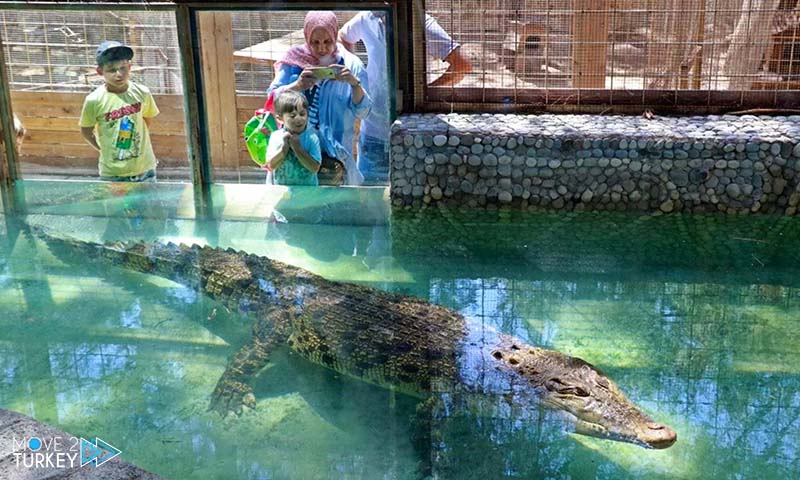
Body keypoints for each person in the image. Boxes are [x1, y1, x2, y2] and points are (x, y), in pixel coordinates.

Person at [339, 12, 472, 182]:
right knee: (369, 198)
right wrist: (358, 74)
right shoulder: (366, 17)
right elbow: (343, 37)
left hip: (409, 136)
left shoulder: (421, 24)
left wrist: (425, 90)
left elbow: (462, 65)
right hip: (372, 133)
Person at [268, 11, 370, 186]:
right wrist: (297, 86)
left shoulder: (351, 65)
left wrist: (354, 84)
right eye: (315, 42)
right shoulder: (293, 62)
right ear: (307, 37)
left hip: (334, 160)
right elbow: (272, 102)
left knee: (332, 208)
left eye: (327, 41)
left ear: (335, 35)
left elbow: (363, 111)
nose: (322, 48)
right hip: (294, 155)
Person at [79, 40, 159, 182]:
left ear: (130, 66)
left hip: (145, 169)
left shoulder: (143, 92)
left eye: (123, 68)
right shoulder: (94, 100)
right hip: (113, 173)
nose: (118, 74)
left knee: (147, 204)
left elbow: (147, 120)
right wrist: (103, 148)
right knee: (115, 205)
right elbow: (86, 130)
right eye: (111, 69)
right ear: (100, 71)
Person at [265, 90, 321, 186]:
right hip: (282, 192)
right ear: (280, 119)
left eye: (302, 114)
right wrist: (283, 150)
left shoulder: (312, 138)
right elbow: (271, 165)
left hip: (307, 194)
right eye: (292, 116)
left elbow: (315, 168)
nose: (299, 119)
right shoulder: (276, 137)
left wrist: (297, 149)